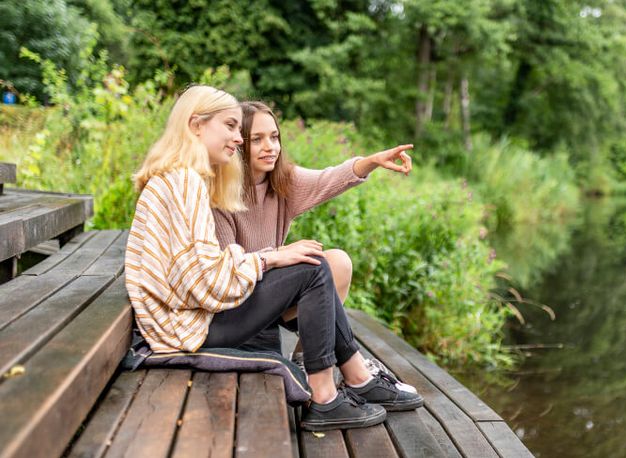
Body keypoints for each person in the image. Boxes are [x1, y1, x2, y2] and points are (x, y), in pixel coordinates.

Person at [124, 85, 421, 432]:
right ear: (196, 126)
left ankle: (353, 380)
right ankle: (327, 398)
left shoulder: (181, 178)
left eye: (242, 130)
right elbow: (206, 284)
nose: (237, 139)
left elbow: (200, 276)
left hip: (184, 322)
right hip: (189, 329)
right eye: (232, 127)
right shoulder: (188, 183)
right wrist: (272, 258)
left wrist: (274, 257)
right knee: (314, 268)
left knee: (318, 262)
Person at [212, 102, 412, 373]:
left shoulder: (282, 182)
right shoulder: (221, 193)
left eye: (274, 137)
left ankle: (306, 360)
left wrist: (373, 161)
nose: (270, 146)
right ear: (237, 143)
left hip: (275, 292)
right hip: (238, 303)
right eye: (257, 139)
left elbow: (330, 178)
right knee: (308, 265)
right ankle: (350, 374)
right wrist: (278, 256)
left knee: (337, 262)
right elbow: (225, 272)